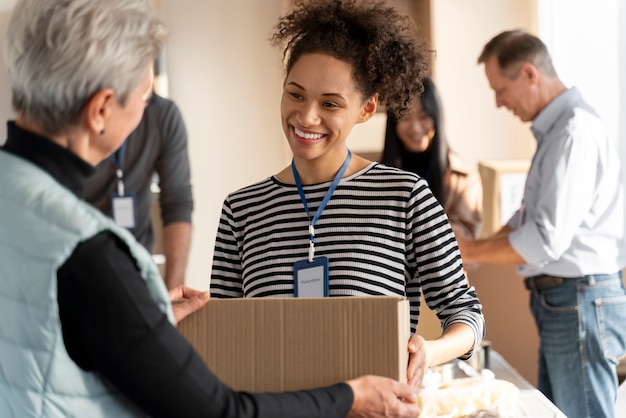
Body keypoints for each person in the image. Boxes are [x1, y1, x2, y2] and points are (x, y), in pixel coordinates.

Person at [0, 0, 421, 417]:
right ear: (101, 110)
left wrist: (146, 319)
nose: (149, 112)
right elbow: (219, 412)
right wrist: (353, 397)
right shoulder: (90, 251)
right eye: (145, 98)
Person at [210, 0, 485, 393]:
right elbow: (226, 338)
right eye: (296, 95)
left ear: (366, 109)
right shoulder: (242, 210)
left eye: (330, 104)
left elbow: (466, 314)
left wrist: (430, 350)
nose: (306, 117)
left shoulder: (405, 196)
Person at [454, 29, 626, 418]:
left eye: (501, 89)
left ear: (530, 74)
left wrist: (469, 251)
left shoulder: (573, 132)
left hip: (579, 297)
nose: (499, 103)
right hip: (567, 300)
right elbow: (527, 217)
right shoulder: (559, 131)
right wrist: (472, 253)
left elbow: (546, 238)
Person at [84, 92, 193, 289]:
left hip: (138, 268)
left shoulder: (162, 114)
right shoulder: (78, 114)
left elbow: (177, 202)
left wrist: (173, 293)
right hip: (82, 267)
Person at [382, 76, 483, 240]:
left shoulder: (464, 177)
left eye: (423, 116)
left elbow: (468, 248)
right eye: (405, 117)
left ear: (436, 117)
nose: (415, 128)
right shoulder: (376, 177)